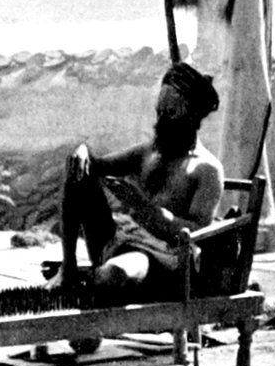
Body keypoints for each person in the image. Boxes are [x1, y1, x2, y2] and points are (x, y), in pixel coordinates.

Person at [48, 61, 224, 299]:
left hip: (162, 257)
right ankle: (68, 269)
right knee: (79, 170)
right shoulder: (149, 152)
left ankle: (99, 278)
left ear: (193, 115)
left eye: (171, 113)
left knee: (114, 274)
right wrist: (82, 152)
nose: (161, 121)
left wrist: (143, 207)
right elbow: (96, 165)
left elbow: (199, 232)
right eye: (159, 112)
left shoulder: (207, 169)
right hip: (122, 241)